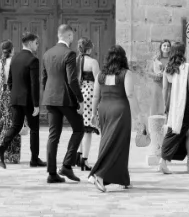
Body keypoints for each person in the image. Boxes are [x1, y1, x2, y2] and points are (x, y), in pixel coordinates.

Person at [39, 24, 88, 184]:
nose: (73, 39)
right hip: (65, 98)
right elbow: (72, 80)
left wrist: (48, 94)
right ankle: (67, 164)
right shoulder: (69, 54)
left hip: (50, 99)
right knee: (79, 128)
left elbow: (44, 79)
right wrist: (80, 100)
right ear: (67, 36)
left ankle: (52, 173)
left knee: (53, 135)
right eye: (72, 36)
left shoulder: (47, 53)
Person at [0, 33, 43, 169]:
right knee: (34, 129)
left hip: (15, 98)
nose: (37, 46)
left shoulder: (14, 58)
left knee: (15, 126)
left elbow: (10, 81)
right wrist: (36, 105)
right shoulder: (33, 60)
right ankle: (34, 159)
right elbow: (34, 84)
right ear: (31, 43)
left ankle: (0, 149)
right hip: (27, 100)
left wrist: (15, 94)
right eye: (36, 43)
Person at [88, 46, 133, 191]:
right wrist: (139, 117)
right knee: (118, 143)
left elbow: (96, 96)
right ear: (123, 58)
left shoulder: (100, 75)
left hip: (104, 110)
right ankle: (99, 174)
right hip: (120, 109)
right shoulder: (125, 74)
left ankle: (122, 178)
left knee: (108, 140)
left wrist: (93, 114)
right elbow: (130, 95)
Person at [158, 41, 189, 175]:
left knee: (176, 128)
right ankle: (164, 160)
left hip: (172, 101)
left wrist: (166, 104)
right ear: (183, 52)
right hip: (184, 102)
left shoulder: (168, 67)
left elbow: (164, 88)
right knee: (177, 131)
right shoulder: (187, 67)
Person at [68, 37, 100, 171]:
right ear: (89, 49)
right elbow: (98, 80)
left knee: (80, 128)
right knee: (87, 130)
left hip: (77, 94)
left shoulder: (75, 61)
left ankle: (78, 156)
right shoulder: (93, 62)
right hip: (89, 94)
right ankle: (84, 160)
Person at [0, 40, 18, 160]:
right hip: (12, 94)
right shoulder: (13, 62)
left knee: (7, 120)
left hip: (2, 94)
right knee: (13, 123)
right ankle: (8, 153)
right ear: (12, 50)